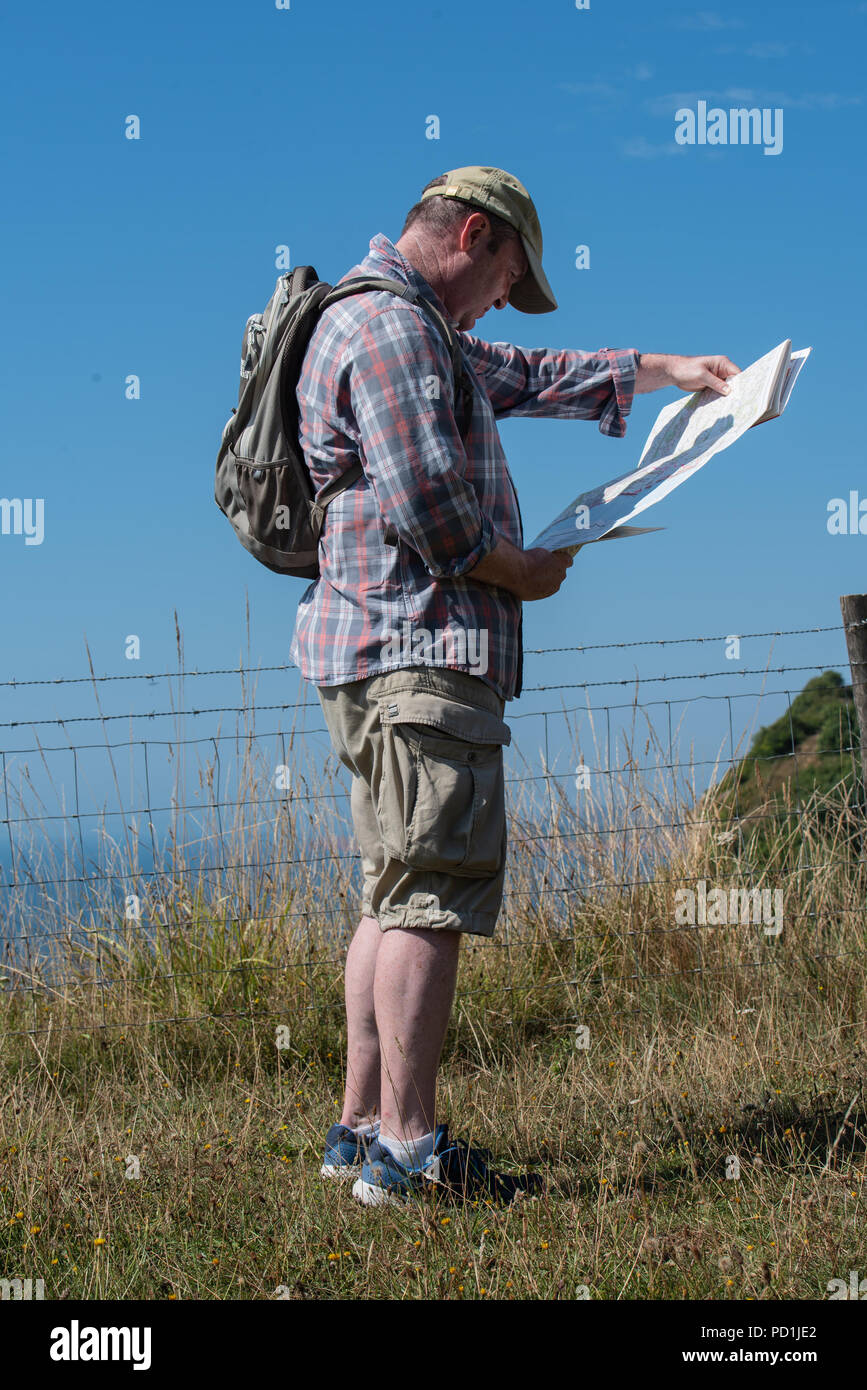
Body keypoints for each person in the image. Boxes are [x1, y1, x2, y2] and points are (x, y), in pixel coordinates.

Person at [291, 165, 739, 1206]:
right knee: (433, 895)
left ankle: (358, 1135)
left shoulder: (414, 327)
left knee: (393, 892)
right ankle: (407, 1153)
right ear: (474, 236)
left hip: (378, 654)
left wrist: (669, 370)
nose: (501, 303)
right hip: (417, 651)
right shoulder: (397, 333)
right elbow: (436, 518)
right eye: (505, 279)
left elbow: (531, 374)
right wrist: (526, 571)